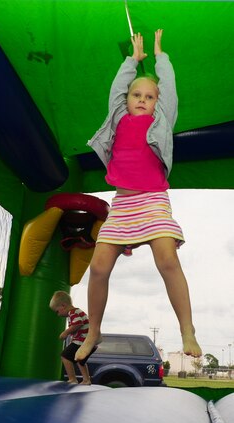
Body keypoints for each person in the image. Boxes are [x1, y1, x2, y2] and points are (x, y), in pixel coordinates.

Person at [75, 29, 202, 362]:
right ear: (127, 100)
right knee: (99, 268)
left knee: (167, 259)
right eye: (137, 95)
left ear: (157, 103)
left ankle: (187, 328)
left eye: (149, 96)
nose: (142, 99)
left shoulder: (160, 121)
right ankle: (94, 331)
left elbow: (169, 89)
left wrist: (162, 57)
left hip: (153, 200)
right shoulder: (118, 118)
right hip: (123, 204)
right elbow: (117, 88)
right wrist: (134, 60)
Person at [49, 290, 97, 384]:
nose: (58, 315)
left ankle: (72, 379)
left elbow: (78, 324)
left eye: (57, 311)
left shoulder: (73, 312)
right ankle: (86, 380)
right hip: (87, 341)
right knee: (80, 360)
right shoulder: (76, 311)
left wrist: (65, 333)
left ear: (63, 305)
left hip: (82, 341)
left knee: (65, 356)